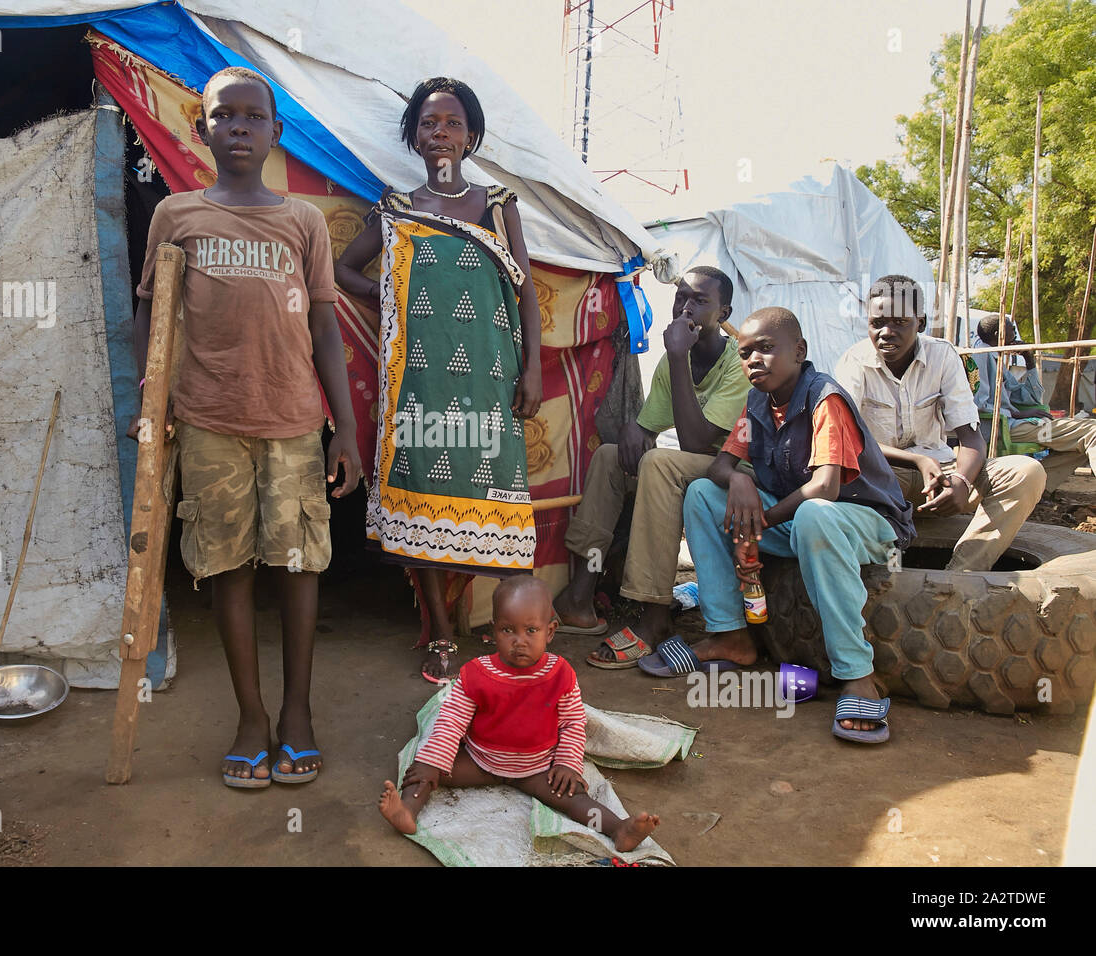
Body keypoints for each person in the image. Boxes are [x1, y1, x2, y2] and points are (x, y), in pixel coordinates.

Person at [130, 67, 362, 788]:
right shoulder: (177, 215)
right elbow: (152, 313)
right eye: (222, 116)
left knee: (296, 567)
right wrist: (153, 402)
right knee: (227, 565)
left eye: (251, 117)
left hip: (294, 422)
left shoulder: (303, 222)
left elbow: (326, 328)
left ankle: (298, 713)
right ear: (201, 129)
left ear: (273, 133)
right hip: (207, 422)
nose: (237, 128)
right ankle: (250, 717)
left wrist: (345, 431)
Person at [336, 77, 542, 664]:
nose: (440, 132)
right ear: (414, 137)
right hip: (418, 379)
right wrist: (395, 296)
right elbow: (345, 269)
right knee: (426, 493)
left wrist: (534, 369)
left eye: (452, 122)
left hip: (490, 375)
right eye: (429, 124)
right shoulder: (399, 210)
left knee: (493, 489)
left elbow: (524, 289)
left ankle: (510, 633)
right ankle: (442, 631)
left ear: (471, 135)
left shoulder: (497, 205)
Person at [674, 308, 916, 744]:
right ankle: (730, 634)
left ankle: (857, 674)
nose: (753, 361)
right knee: (702, 495)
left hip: (865, 524)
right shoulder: (757, 403)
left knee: (815, 512)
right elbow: (721, 466)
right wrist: (741, 480)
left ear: (799, 352)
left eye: (766, 349)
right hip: (801, 522)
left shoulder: (825, 398)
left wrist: (760, 520)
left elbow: (825, 487)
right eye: (745, 353)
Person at [551, 266, 750, 671]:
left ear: (723, 311)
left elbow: (697, 442)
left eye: (700, 300)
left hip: (732, 472)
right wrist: (632, 430)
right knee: (610, 457)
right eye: (681, 298)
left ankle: (655, 615)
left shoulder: (738, 363)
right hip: (694, 465)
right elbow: (646, 426)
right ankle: (581, 595)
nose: (686, 307)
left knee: (659, 463)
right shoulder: (671, 361)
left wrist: (678, 356)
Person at [377, 576, 661, 852]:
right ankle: (407, 811)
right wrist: (433, 761)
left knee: (574, 797)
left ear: (550, 631)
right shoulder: (476, 674)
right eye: (507, 630)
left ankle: (618, 829)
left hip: (538, 770)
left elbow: (574, 723)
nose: (519, 641)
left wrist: (567, 764)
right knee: (426, 768)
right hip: (480, 762)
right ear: (493, 629)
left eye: (531, 631)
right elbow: (451, 722)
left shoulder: (560, 674)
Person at [835, 276, 1044, 572]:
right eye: (877, 323)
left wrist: (961, 481)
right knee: (833, 482)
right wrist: (918, 459)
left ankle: (962, 573)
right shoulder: (854, 362)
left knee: (1026, 472)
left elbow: (970, 437)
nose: (886, 332)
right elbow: (849, 440)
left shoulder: (943, 355)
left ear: (920, 323)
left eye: (899, 322)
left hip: (937, 477)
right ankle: (881, 572)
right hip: (881, 478)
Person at [973, 314, 1096, 481]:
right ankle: (1039, 484)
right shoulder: (979, 355)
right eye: (1012, 330)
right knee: (1093, 433)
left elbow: (1031, 399)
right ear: (998, 333)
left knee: (1086, 436)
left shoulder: (997, 357)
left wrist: (1029, 359)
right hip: (1002, 428)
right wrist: (1017, 414)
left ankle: (1041, 484)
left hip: (1017, 425)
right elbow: (977, 404)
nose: (1015, 335)